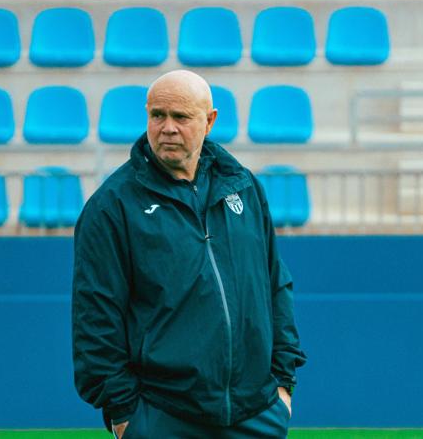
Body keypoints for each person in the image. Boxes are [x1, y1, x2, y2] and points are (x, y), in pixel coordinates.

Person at [72, 70, 306, 438]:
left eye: (180, 117)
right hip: (163, 415)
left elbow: (275, 284)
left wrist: (282, 383)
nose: (167, 128)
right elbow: (96, 315)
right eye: (158, 115)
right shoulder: (112, 205)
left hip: (256, 412)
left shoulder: (243, 187)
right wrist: (123, 411)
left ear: (209, 121)